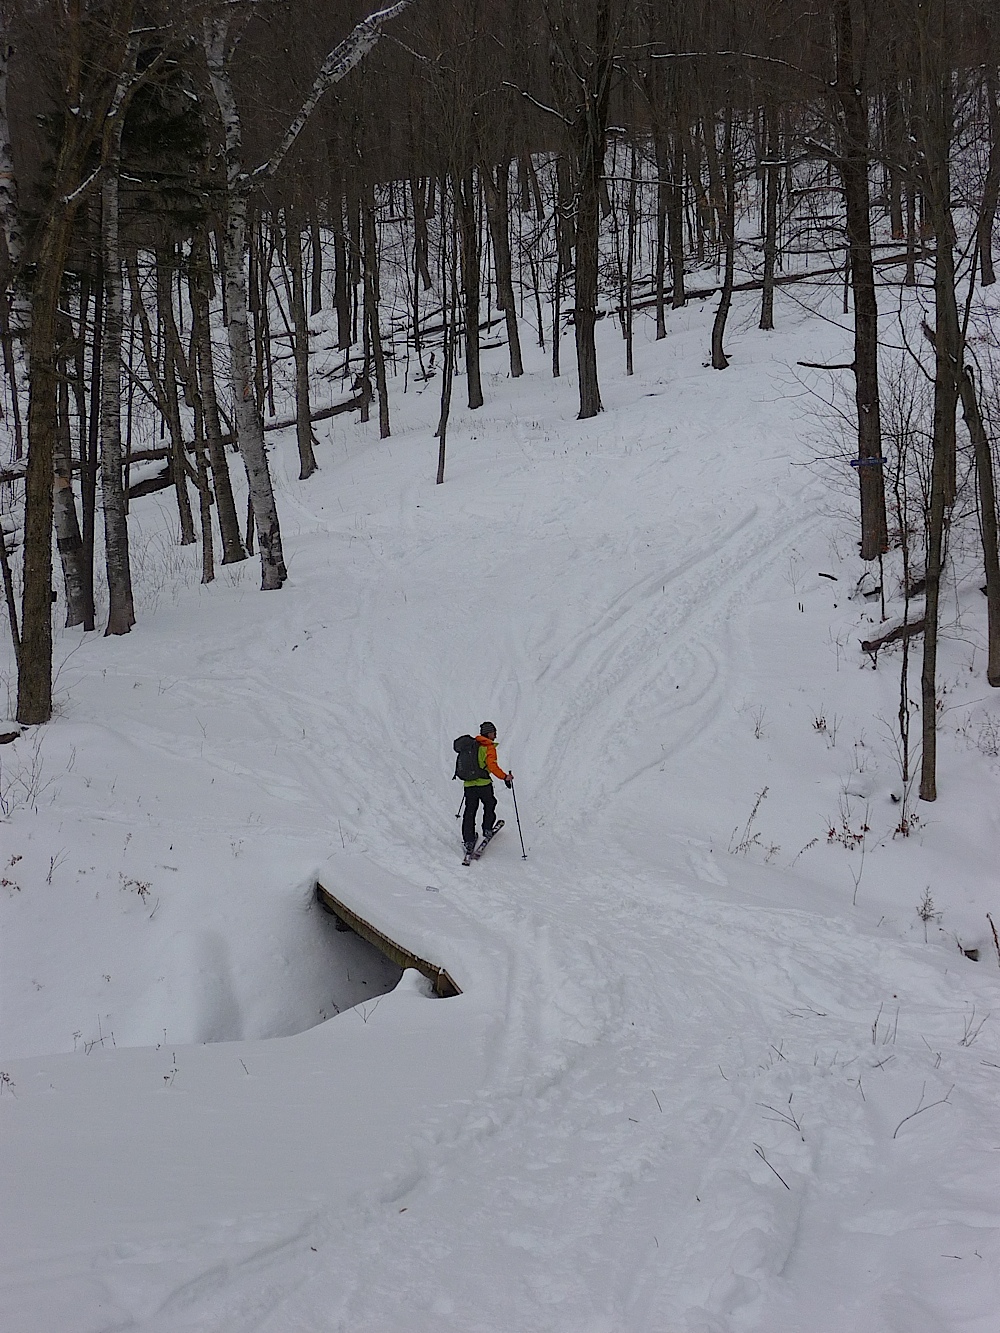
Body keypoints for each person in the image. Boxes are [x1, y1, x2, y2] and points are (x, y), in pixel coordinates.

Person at [461, 722, 512, 854]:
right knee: (490, 804)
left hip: (469, 784)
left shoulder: (471, 745)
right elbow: (492, 767)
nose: (495, 735)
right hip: (484, 784)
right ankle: (487, 828)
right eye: (494, 732)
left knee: (470, 811)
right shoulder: (488, 747)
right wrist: (505, 777)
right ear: (488, 733)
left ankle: (469, 839)